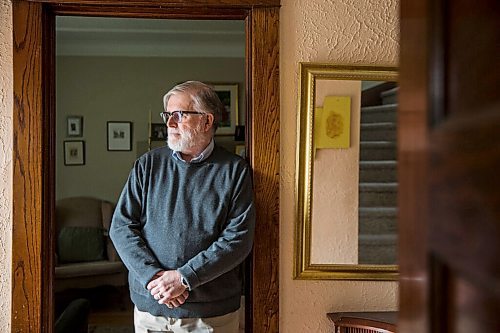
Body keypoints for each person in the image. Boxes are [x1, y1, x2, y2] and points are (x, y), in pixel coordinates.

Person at [110, 81, 255, 332]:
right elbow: (121, 227)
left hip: (209, 314)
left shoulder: (234, 171)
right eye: (168, 115)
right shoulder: (148, 165)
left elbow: (238, 239)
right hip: (150, 307)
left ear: (207, 122)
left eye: (179, 115)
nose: (170, 124)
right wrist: (154, 279)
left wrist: (184, 278)